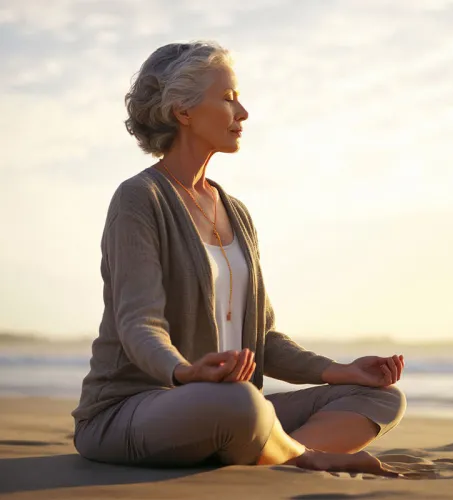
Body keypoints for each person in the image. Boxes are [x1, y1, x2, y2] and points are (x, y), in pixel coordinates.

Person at [72, 41, 406, 475]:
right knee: (242, 403)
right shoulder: (140, 198)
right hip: (131, 410)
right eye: (229, 99)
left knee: (381, 398)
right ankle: (297, 454)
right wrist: (185, 373)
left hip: (227, 407)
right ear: (183, 111)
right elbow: (140, 324)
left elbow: (263, 341)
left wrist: (340, 371)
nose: (243, 112)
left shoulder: (236, 212)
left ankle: (274, 453)